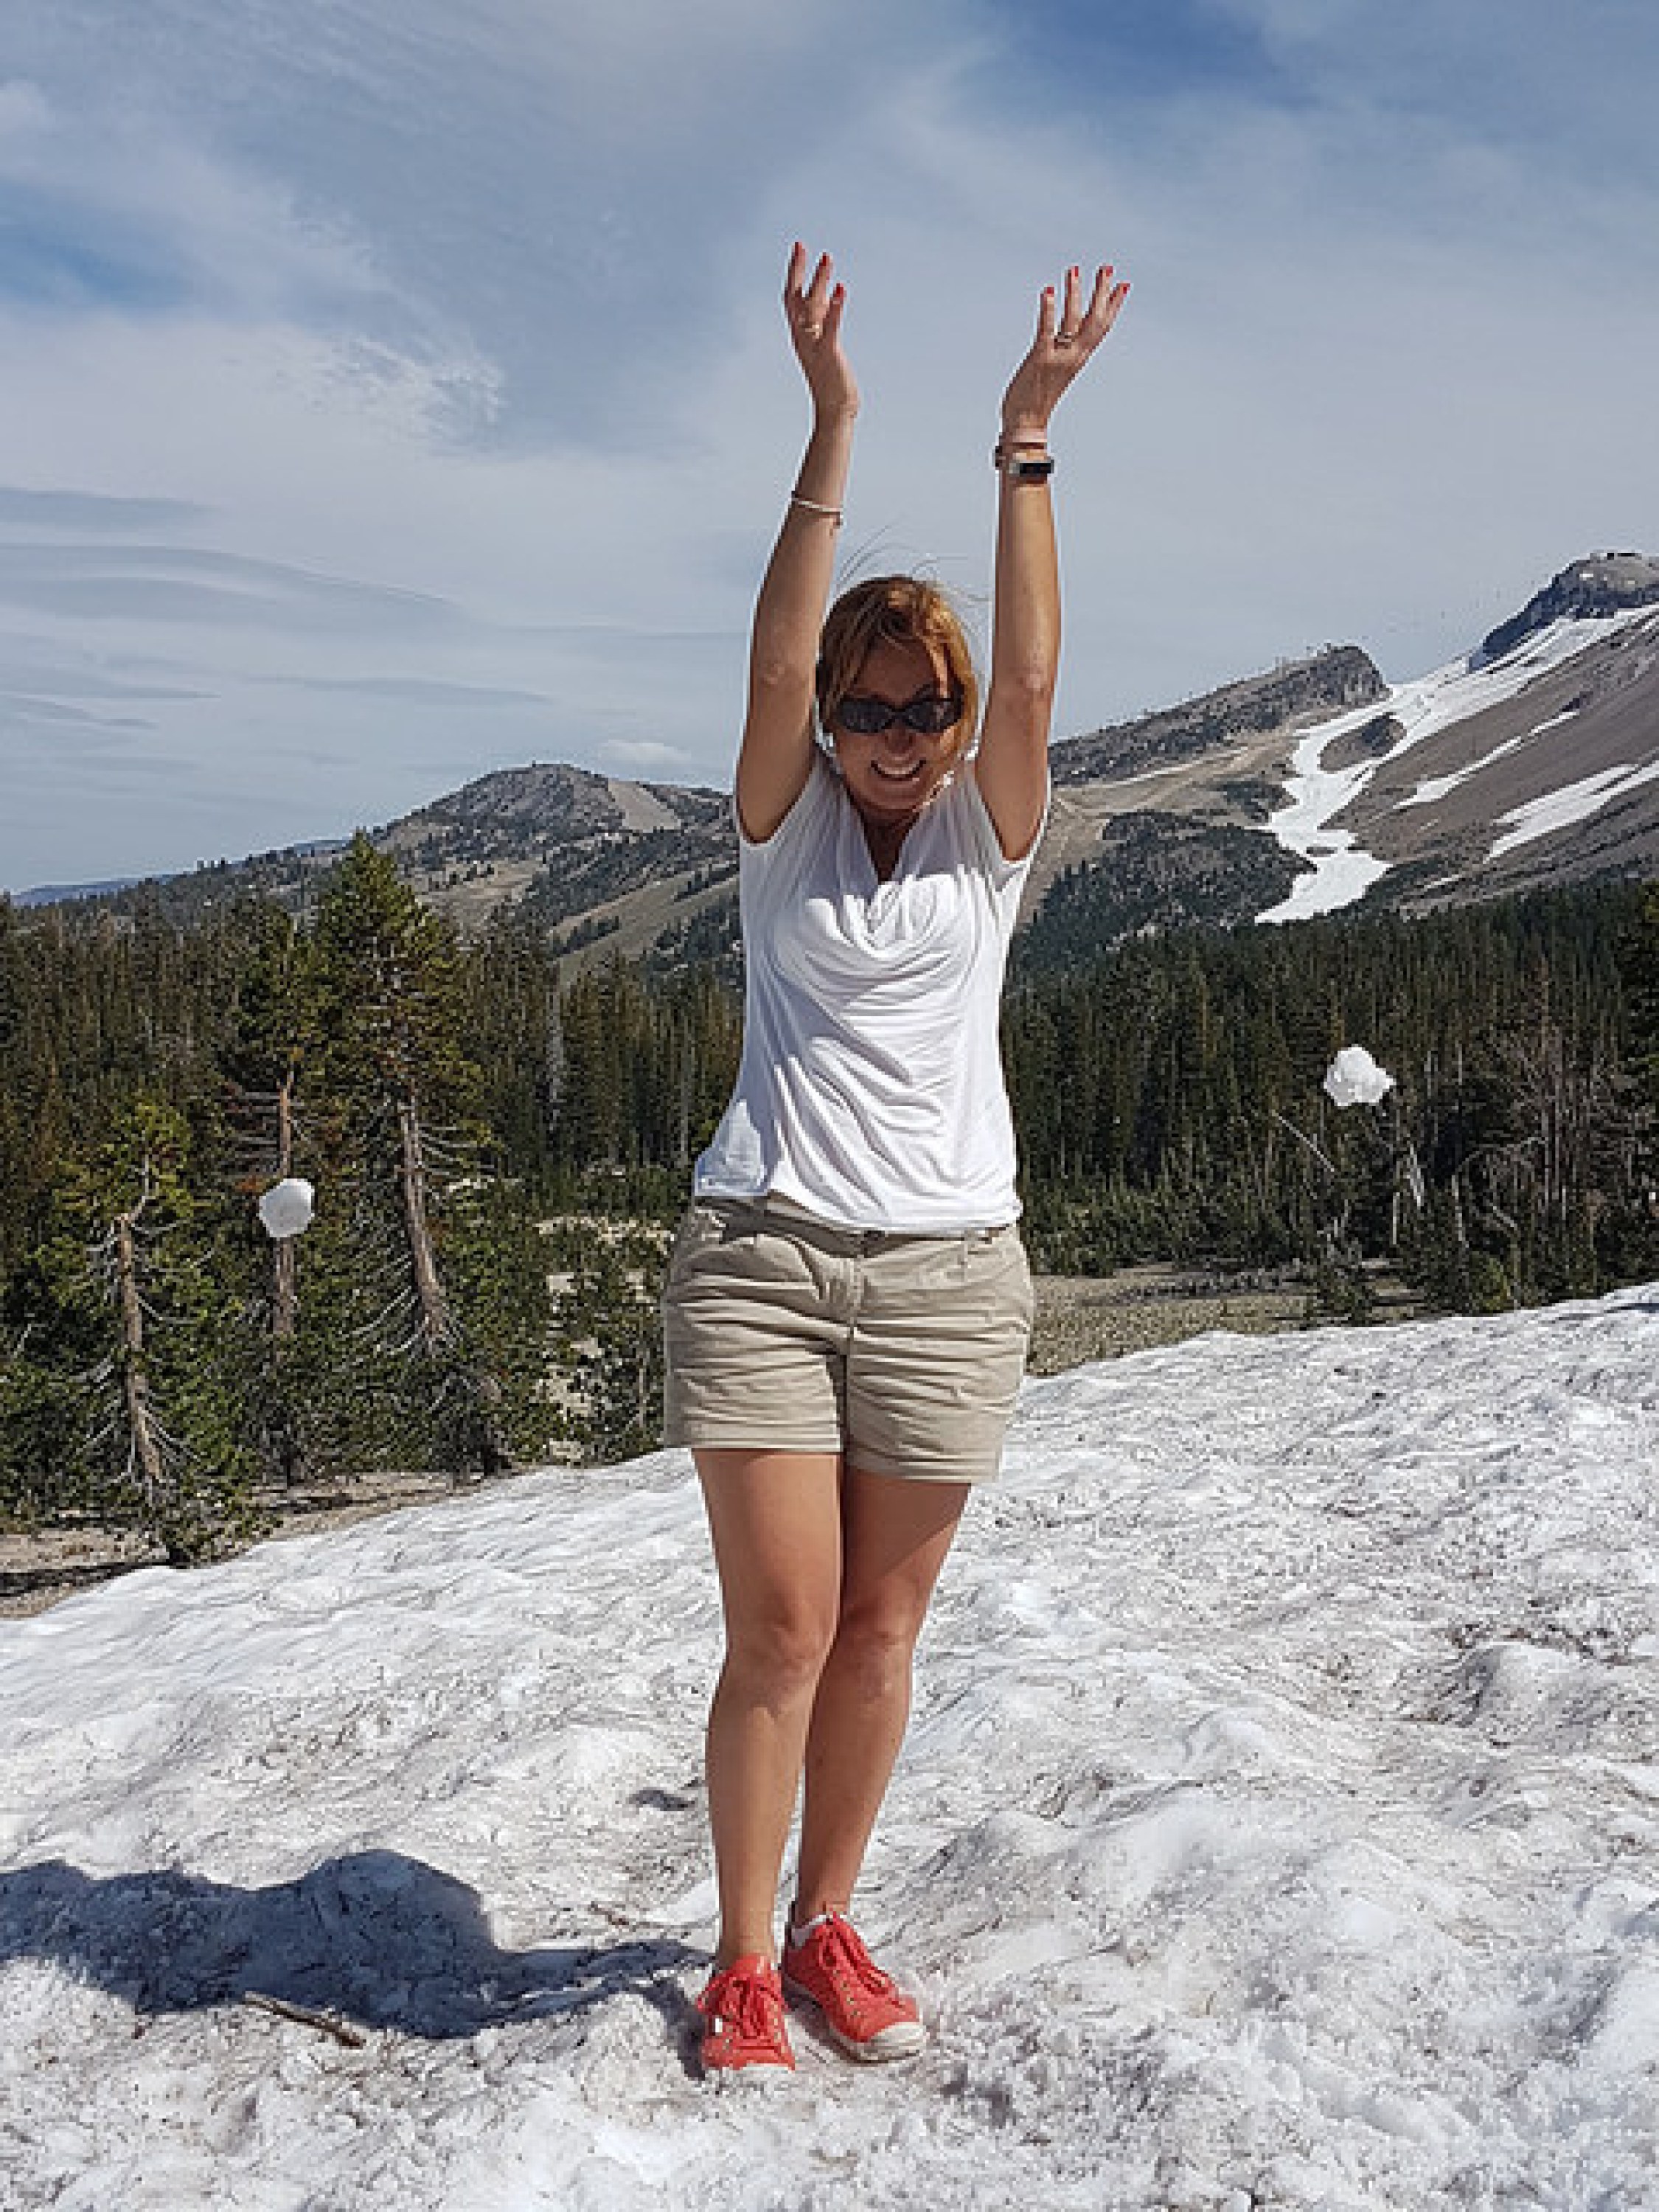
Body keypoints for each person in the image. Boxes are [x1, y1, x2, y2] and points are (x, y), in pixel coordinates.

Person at [662, 242, 1130, 2078]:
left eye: (916, 709)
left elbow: (1032, 682)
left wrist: (1027, 443)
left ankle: (829, 1919)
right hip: (766, 1253)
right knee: (779, 1626)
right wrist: (831, 425)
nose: (894, 736)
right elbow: (775, 648)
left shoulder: (986, 838)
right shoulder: (779, 838)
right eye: (865, 708)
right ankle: (741, 1959)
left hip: (950, 1273)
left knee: (876, 1625)